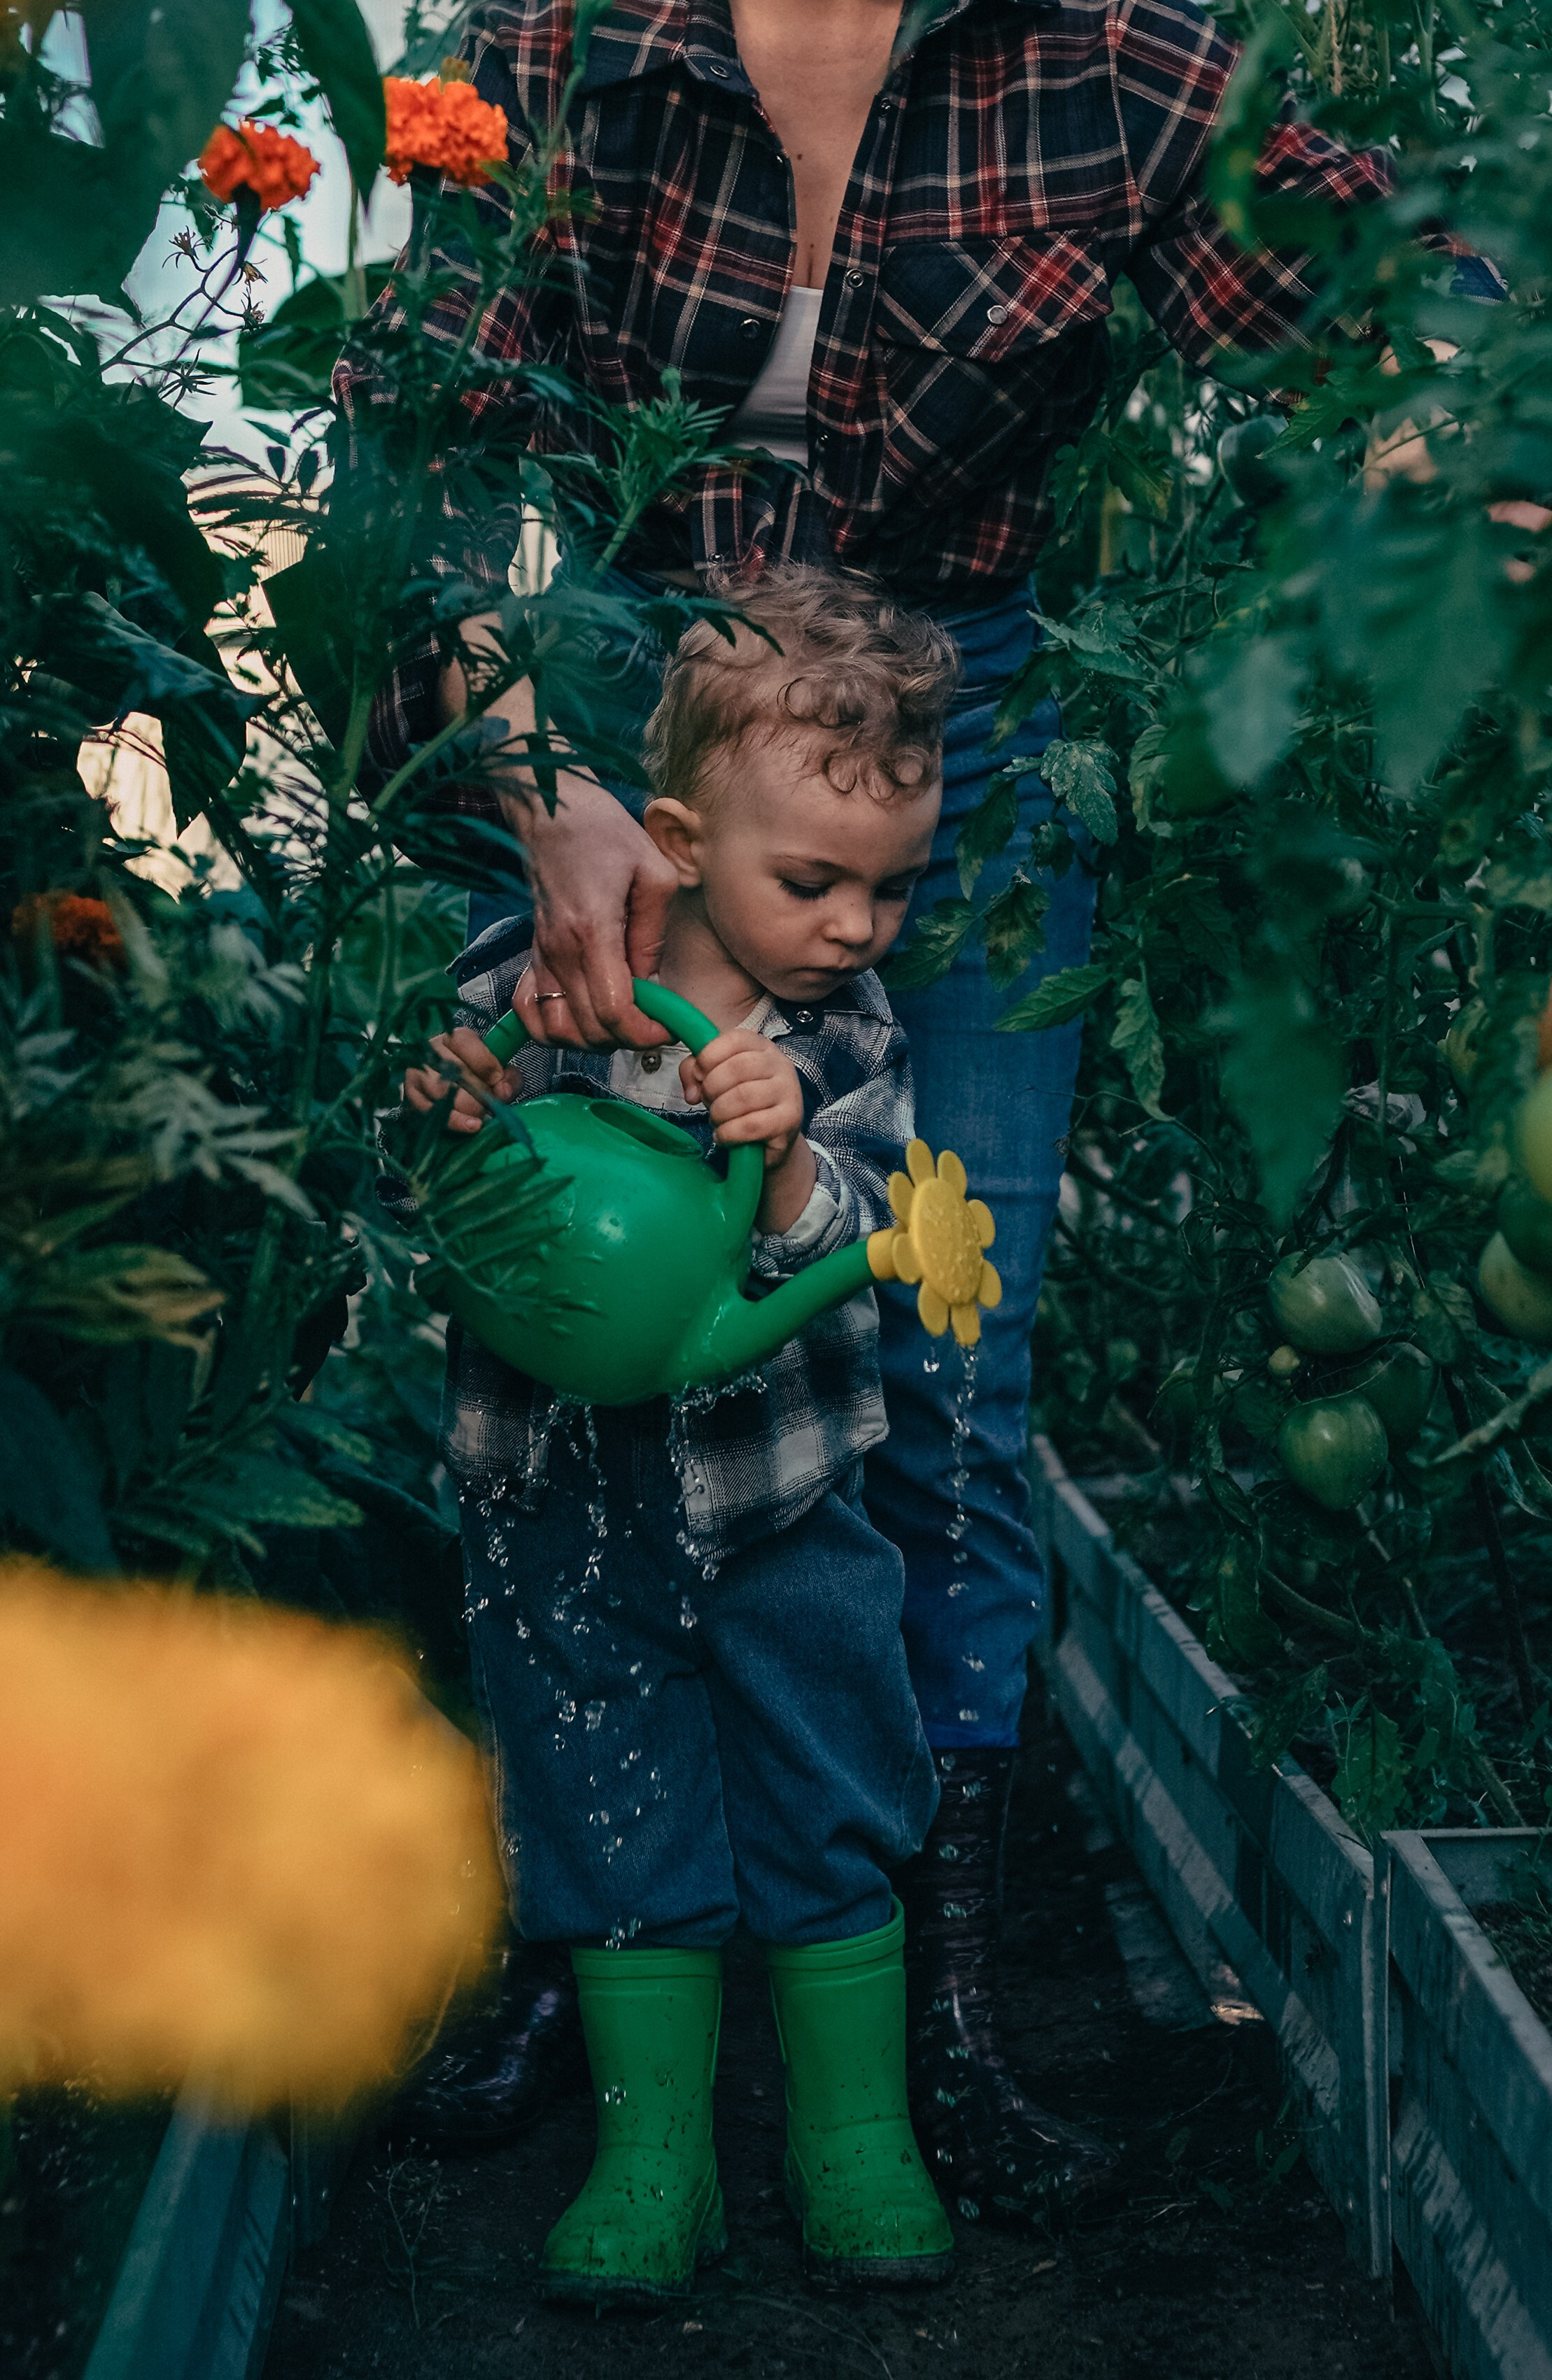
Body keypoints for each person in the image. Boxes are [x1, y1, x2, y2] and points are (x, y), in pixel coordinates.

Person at [346, 0, 1396, 2222]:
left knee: (947, 1334)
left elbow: (1385, 304)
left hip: (961, 750)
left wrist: (1476, 420)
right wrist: (546, 799)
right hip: (633, 707)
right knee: (556, 1298)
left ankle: (929, 2004)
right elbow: (415, 436)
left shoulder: (1107, 47)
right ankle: (580, 1923)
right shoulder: (559, 29)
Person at [402, 569, 961, 2298]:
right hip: (556, 1496)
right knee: (603, 1797)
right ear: (675, 835)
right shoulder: (537, 981)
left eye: (893, 888)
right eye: (816, 882)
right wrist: (447, 1097)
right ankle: (655, 2157)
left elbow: (866, 1231)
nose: (860, 926)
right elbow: (418, 1173)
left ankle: (851, 2137)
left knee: (826, 1784)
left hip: (786, 1503)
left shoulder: (840, 1044)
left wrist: (792, 1155)